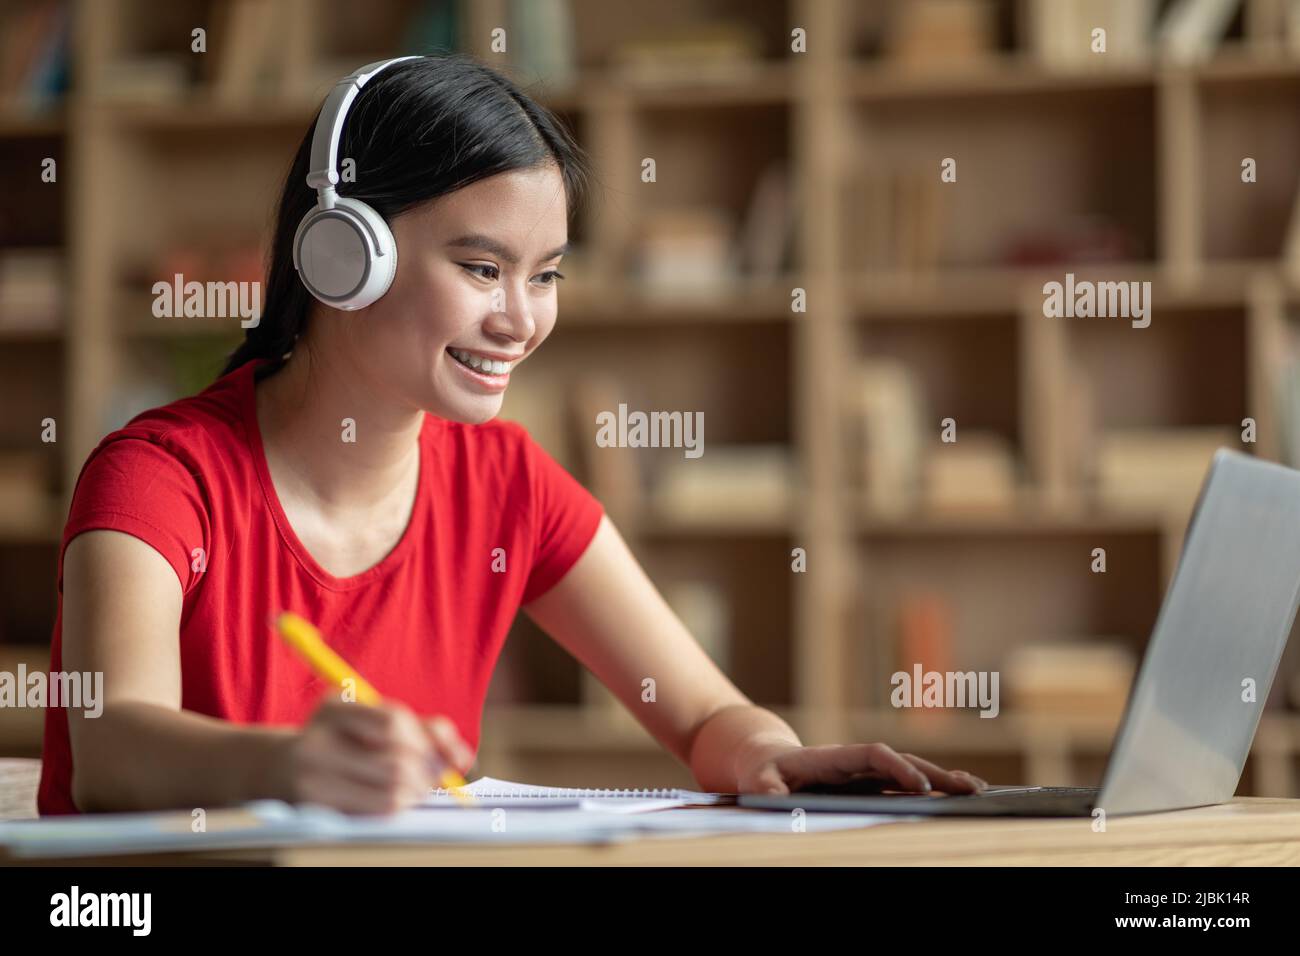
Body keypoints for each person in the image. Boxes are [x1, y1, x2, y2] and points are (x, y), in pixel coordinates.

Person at [39, 54, 985, 815]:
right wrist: (291, 766)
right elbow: (113, 750)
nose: (523, 320)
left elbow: (700, 716)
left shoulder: (507, 484)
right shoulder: (159, 479)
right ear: (343, 256)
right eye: (484, 268)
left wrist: (775, 756)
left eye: (547, 276)